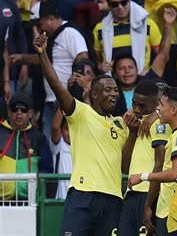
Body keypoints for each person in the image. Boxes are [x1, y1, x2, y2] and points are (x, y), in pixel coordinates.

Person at [34, 32, 129, 235]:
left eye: (115, 90)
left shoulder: (123, 124)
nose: (113, 93)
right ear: (94, 94)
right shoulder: (81, 113)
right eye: (107, 90)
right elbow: (57, 86)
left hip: (113, 198)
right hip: (83, 194)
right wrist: (42, 55)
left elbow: (126, 164)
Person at [9, 0, 92, 140]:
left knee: (64, 143)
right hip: (51, 100)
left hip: (67, 99)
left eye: (40, 24)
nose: (39, 29)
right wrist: (22, 57)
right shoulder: (56, 36)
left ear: (51, 19)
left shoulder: (69, 32)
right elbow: (45, 60)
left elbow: (83, 58)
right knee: (49, 144)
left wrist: (77, 90)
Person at [127, 86, 177, 235]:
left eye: (162, 105)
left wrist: (142, 176)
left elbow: (175, 174)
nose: (158, 109)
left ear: (173, 110)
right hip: (174, 209)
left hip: (174, 212)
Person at [119, 80, 171, 235]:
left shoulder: (160, 123)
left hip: (150, 194)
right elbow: (125, 168)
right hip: (131, 194)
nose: (136, 109)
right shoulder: (132, 123)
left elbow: (159, 164)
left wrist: (149, 204)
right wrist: (133, 133)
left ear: (156, 103)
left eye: (142, 106)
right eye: (134, 103)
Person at [93, 0, 161, 74]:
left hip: (142, 79)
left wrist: (149, 72)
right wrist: (100, 66)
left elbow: (162, 56)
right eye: (115, 4)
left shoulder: (148, 24)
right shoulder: (99, 28)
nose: (120, 7)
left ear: (129, 0)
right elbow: (95, 60)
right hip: (112, 82)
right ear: (109, 5)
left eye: (123, 2)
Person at [0, 93, 53, 200]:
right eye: (15, 109)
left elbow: (47, 171)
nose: (19, 113)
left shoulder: (39, 138)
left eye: (24, 110)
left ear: (31, 114)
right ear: (9, 112)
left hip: (30, 202)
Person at [50, 109, 71, 200]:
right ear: (61, 130)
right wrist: (64, 103)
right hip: (61, 198)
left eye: (73, 129)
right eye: (67, 129)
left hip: (80, 200)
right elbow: (55, 127)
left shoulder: (83, 145)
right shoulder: (60, 145)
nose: (70, 133)